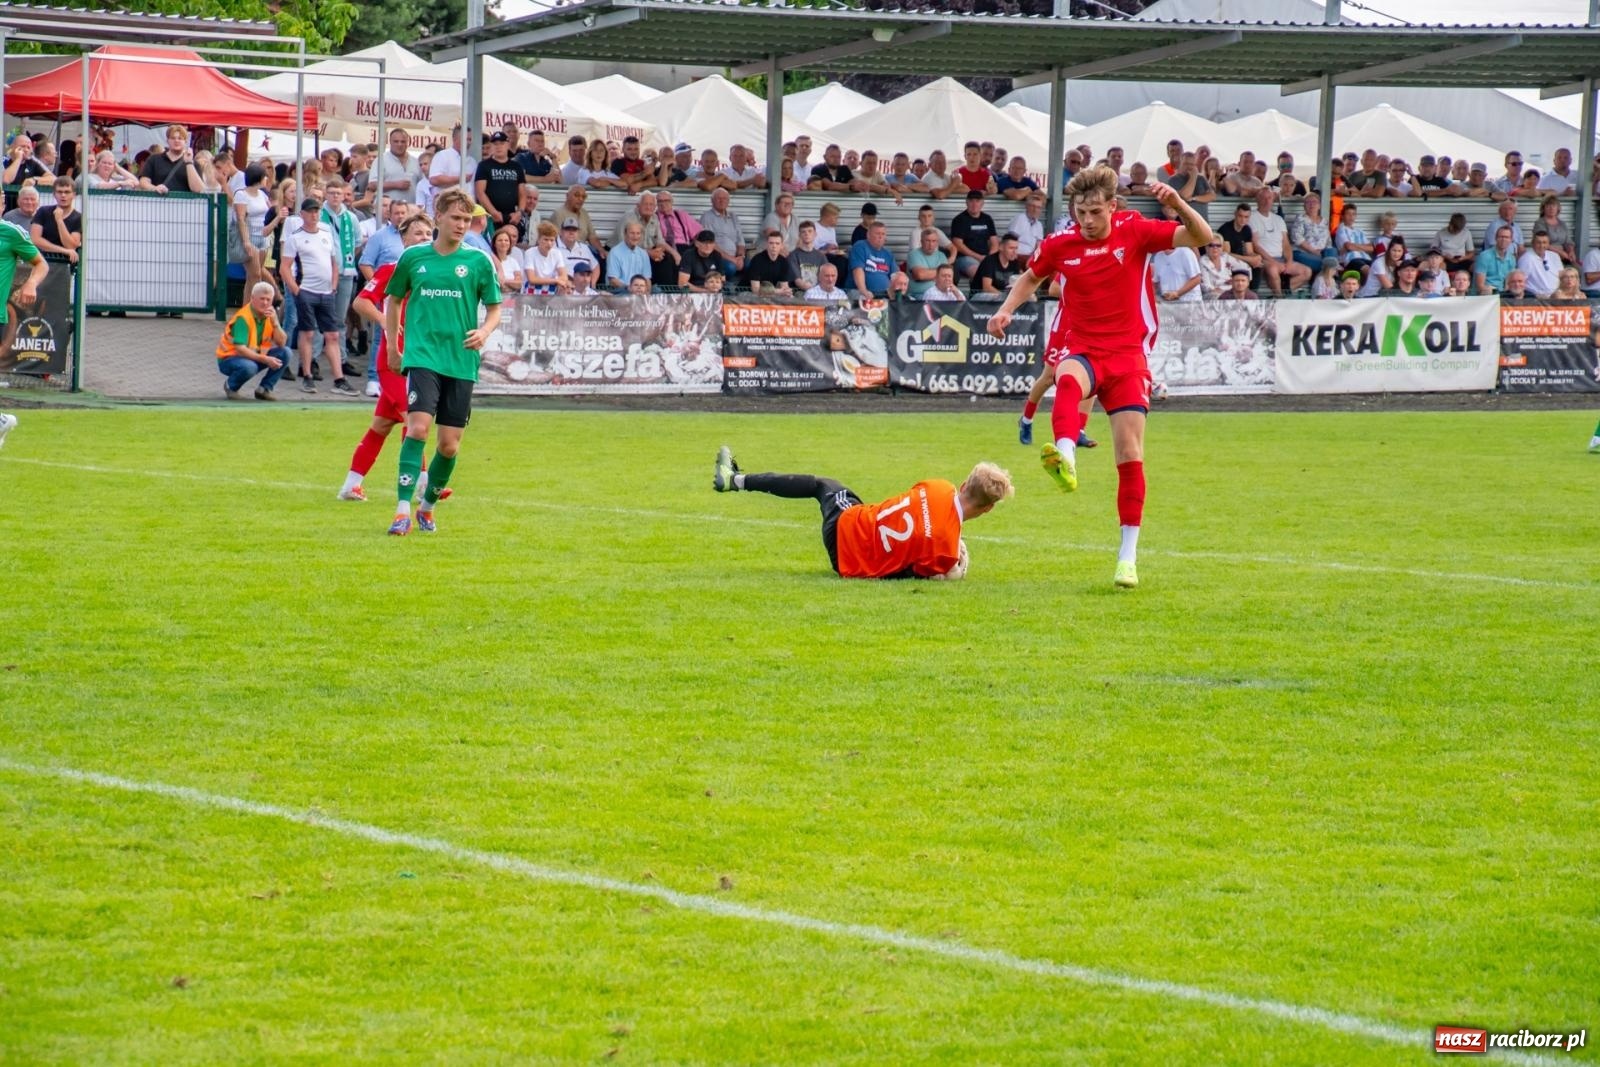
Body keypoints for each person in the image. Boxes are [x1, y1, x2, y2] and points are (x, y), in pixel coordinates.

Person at [985, 166, 1212, 589]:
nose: (1086, 221)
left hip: (1128, 357)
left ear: (1112, 207)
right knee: (1066, 380)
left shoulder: (1137, 231)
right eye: (1079, 212)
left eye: (1094, 212)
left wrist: (1179, 204)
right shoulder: (1060, 244)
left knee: (1130, 453)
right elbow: (1031, 277)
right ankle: (1066, 456)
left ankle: (1128, 557)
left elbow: (1200, 237)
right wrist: (1005, 310)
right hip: (1085, 347)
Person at [383, 189, 503, 536]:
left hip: (462, 360)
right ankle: (402, 509)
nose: (462, 225)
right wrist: (394, 346)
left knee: (449, 445)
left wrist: (484, 331)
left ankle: (428, 508)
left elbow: (495, 308)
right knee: (418, 428)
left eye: (467, 220)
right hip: (423, 356)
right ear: (439, 218)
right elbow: (393, 301)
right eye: (456, 218)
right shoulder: (414, 257)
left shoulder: (478, 261)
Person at [711, 446, 1012, 580]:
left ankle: (736, 480)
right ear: (987, 509)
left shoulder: (937, 487)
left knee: (822, 485)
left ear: (963, 484)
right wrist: (949, 571)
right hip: (851, 567)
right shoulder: (946, 550)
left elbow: (913, 506)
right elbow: (912, 572)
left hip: (848, 526)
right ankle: (735, 479)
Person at [340, 212, 442, 502]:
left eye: (427, 234)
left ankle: (351, 485)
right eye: (418, 233)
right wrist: (386, 321)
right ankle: (423, 484)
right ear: (403, 237)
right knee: (415, 421)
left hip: (421, 359)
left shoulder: (430, 272)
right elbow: (361, 302)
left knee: (382, 425)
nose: (423, 238)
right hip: (393, 361)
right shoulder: (392, 269)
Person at [281, 198, 355, 395]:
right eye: (310, 212)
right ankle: (307, 375)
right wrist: (296, 290)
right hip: (306, 291)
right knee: (308, 333)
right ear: (302, 214)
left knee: (332, 334)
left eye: (316, 211)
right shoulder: (295, 238)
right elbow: (285, 267)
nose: (314, 215)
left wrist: (333, 285)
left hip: (326, 292)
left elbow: (333, 262)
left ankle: (339, 379)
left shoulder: (325, 233)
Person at [215, 281, 289, 400]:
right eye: (262, 299)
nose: (265, 303)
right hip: (229, 359)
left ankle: (265, 389)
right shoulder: (243, 318)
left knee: (285, 352)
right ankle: (231, 386)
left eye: (268, 300)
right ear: (252, 298)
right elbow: (240, 349)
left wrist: (276, 324)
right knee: (249, 367)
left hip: (253, 356)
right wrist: (265, 359)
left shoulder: (270, 315)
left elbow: (282, 343)